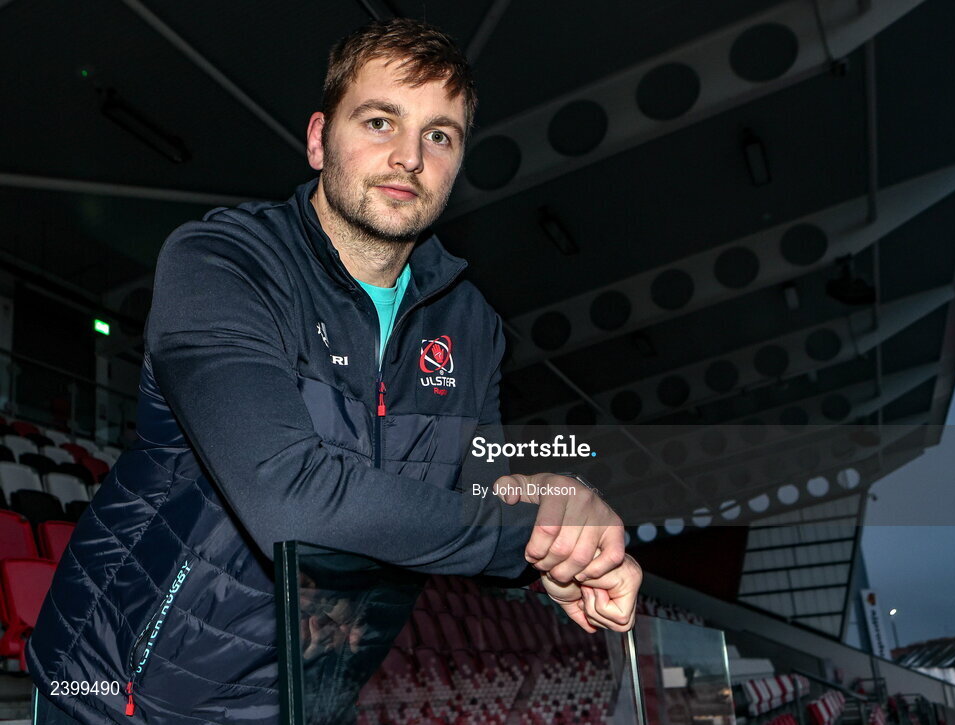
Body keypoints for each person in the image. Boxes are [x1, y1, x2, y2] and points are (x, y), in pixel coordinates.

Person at [26, 17, 642, 725]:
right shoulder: (224, 262)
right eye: (380, 122)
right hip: (120, 698)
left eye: (439, 136)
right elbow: (289, 500)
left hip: (309, 699)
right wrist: (520, 535)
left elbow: (472, 482)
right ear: (319, 139)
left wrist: (563, 521)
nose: (409, 156)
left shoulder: (470, 323)